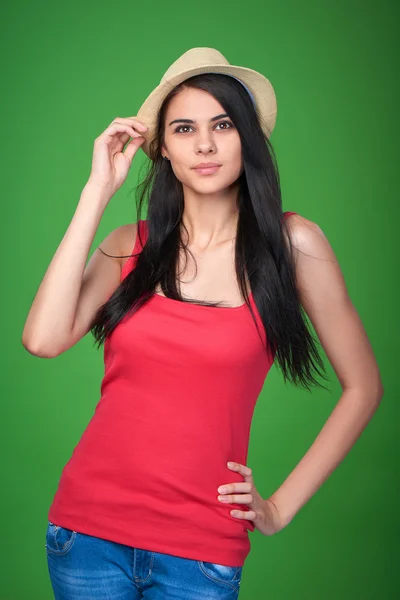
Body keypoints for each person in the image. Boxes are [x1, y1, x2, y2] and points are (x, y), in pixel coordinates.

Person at [22, 47, 384, 599]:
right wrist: (97, 192)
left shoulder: (294, 246)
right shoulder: (130, 248)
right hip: (85, 534)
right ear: (163, 149)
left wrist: (278, 508)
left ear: (249, 138)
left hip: (200, 551)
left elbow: (364, 388)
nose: (206, 144)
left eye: (223, 125)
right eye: (185, 129)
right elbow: (43, 339)